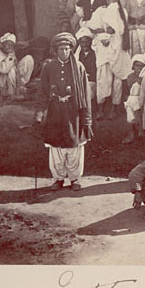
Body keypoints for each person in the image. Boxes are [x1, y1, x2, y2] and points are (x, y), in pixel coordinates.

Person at [38, 32, 93, 191]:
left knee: (74, 145)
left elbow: (85, 94)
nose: (64, 52)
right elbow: (42, 91)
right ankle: (58, 178)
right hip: (55, 112)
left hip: (73, 112)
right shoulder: (49, 67)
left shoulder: (78, 67)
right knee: (56, 147)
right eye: (61, 49)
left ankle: (74, 179)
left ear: (71, 50)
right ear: (56, 51)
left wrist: (87, 118)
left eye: (67, 49)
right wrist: (39, 112)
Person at [88, 0, 131, 120]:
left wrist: (114, 32)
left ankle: (114, 107)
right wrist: (106, 31)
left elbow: (122, 30)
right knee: (103, 78)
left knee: (117, 79)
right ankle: (101, 108)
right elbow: (92, 28)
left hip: (118, 47)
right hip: (104, 47)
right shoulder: (100, 11)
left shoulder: (122, 12)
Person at [0, 32, 35, 99]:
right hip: (4, 81)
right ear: (2, 45)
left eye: (11, 45)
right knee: (12, 70)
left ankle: (21, 86)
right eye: (7, 44)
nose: (9, 47)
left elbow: (15, 63)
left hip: (15, 77)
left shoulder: (10, 52)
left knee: (29, 59)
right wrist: (11, 58)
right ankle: (12, 93)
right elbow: (4, 70)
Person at [122, 54, 145, 145]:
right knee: (131, 101)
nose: (139, 68)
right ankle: (139, 130)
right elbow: (126, 92)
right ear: (133, 66)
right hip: (133, 99)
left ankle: (133, 132)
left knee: (130, 104)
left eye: (142, 66)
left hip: (144, 99)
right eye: (137, 66)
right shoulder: (130, 77)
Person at [75, 28, 97, 104]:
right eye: (82, 42)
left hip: (93, 82)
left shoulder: (95, 54)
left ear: (90, 42)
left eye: (86, 42)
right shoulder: (78, 55)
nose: (84, 45)